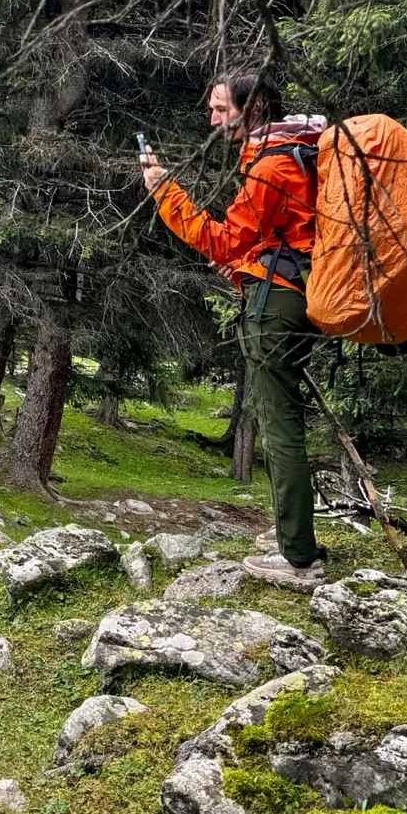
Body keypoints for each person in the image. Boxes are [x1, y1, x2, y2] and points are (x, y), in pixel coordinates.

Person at [141, 69, 327, 588]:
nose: (212, 118)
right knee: (279, 419)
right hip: (292, 293)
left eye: (221, 108)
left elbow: (222, 240)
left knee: (280, 427)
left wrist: (164, 191)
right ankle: (292, 534)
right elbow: (278, 236)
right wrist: (247, 262)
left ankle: (299, 557)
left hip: (277, 306)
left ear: (254, 108)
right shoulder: (294, 153)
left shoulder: (271, 165)